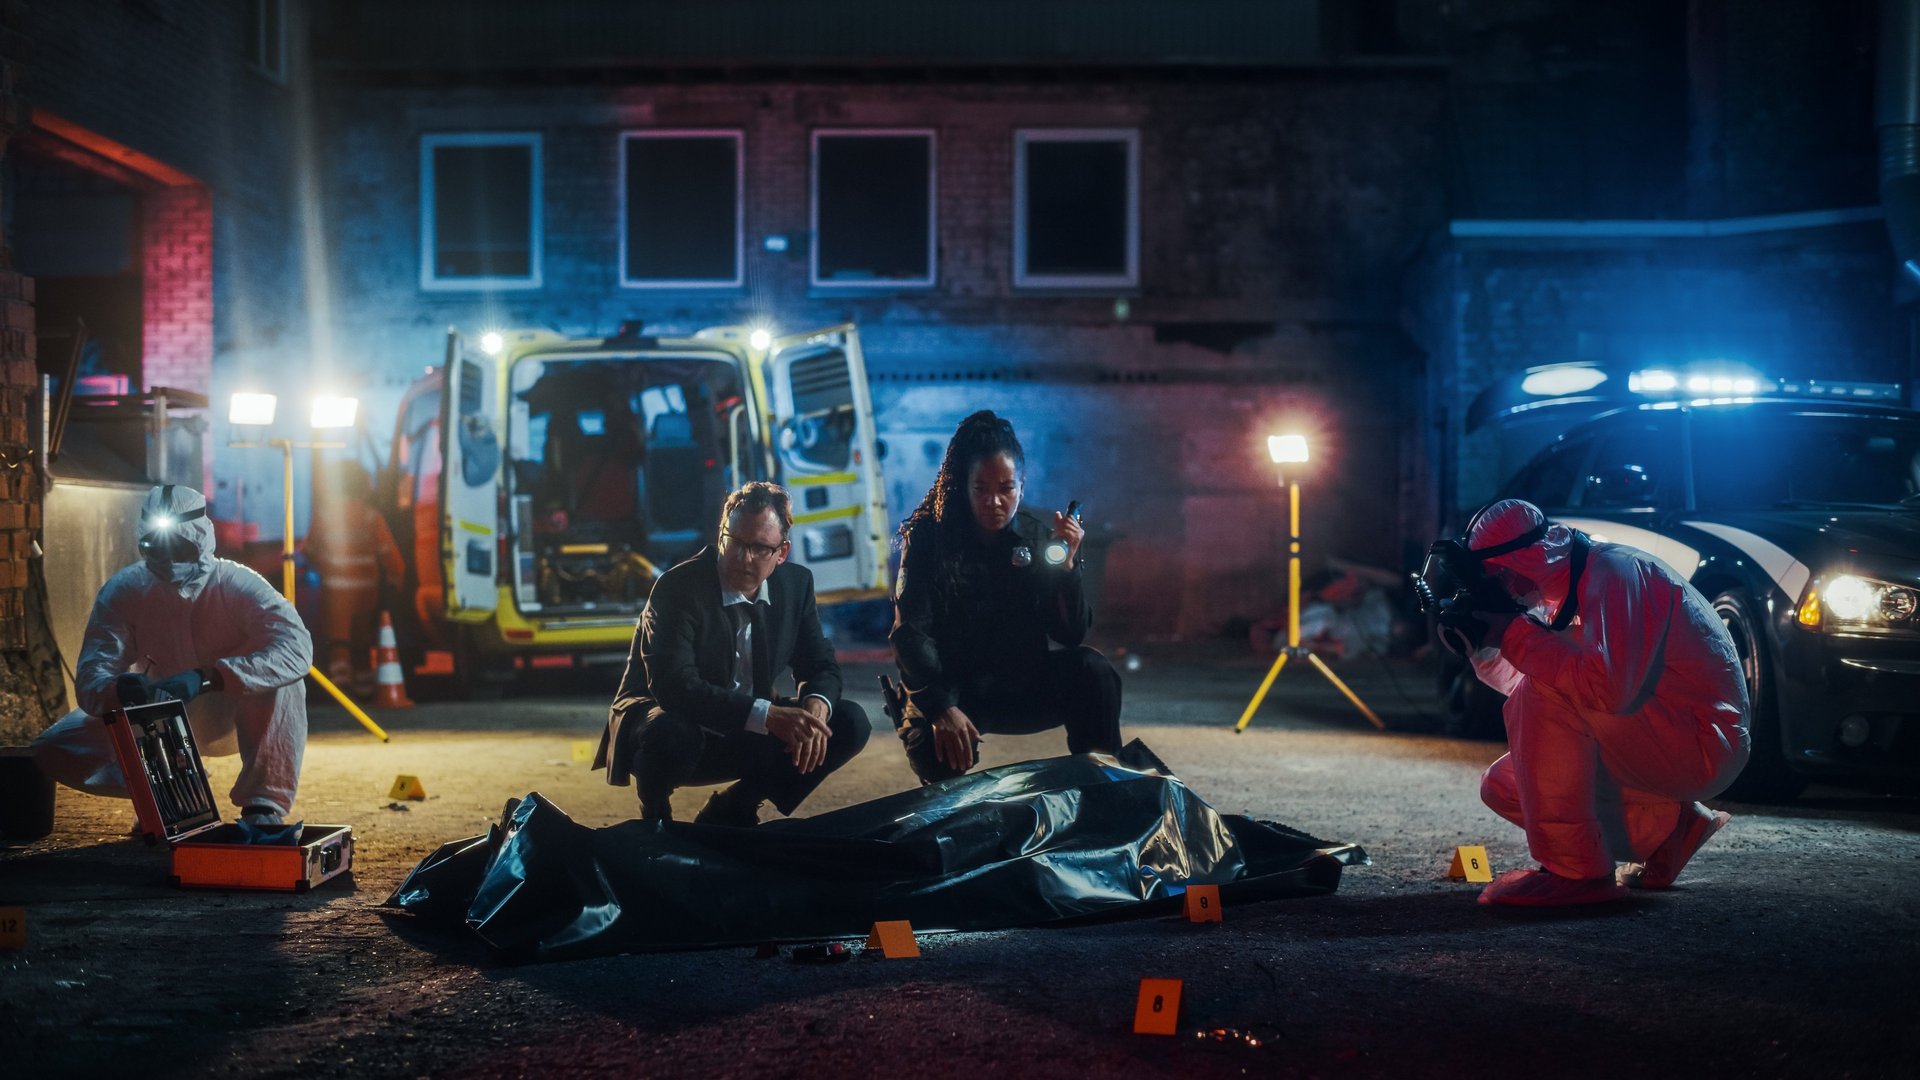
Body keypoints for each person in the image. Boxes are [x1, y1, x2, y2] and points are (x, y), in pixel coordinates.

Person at [1442, 498, 1750, 907]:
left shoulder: (1615, 573)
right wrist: (1484, 647)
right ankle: (1670, 831)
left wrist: (1515, 633)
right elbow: (1539, 693)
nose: (1504, 588)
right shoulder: (1560, 589)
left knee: (1548, 690)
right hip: (1664, 731)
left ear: (1526, 557)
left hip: (1702, 739)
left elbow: (1602, 688)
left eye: (1500, 576)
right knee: (1504, 785)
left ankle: (1577, 874)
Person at [31, 484, 313, 825]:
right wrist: (119, 689)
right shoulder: (126, 590)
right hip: (155, 716)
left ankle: (263, 804)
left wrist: (210, 677)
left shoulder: (237, 584)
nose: (167, 559)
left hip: (232, 710)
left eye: (178, 546)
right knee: (55, 748)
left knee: (283, 682)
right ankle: (168, 788)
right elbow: (94, 671)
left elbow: (296, 647)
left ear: (200, 539)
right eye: (155, 546)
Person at [594, 481, 870, 825]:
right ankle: (656, 819)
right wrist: (767, 715)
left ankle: (736, 805)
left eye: (759, 548)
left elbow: (820, 664)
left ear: (781, 553)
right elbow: (674, 686)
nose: (743, 558)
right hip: (668, 723)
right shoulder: (678, 587)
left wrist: (815, 705)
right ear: (721, 534)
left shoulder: (796, 585)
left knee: (849, 722)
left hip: (743, 724)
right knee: (671, 731)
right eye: (735, 543)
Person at [889, 410, 1122, 785]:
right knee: (938, 759)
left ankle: (1106, 791)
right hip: (953, 687)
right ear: (963, 487)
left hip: (1017, 680)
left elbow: (1070, 634)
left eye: (1006, 489)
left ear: (1022, 487)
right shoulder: (929, 539)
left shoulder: (1036, 537)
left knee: (1093, 672)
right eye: (981, 489)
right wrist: (939, 707)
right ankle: (925, 724)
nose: (994, 501)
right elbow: (911, 634)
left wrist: (1067, 568)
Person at [304, 460, 405, 693]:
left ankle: (341, 685)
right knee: (361, 637)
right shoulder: (372, 516)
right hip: (367, 588)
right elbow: (389, 553)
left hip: (335, 587)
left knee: (339, 638)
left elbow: (308, 550)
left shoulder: (326, 515)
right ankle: (366, 684)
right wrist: (397, 578)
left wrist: (322, 567)